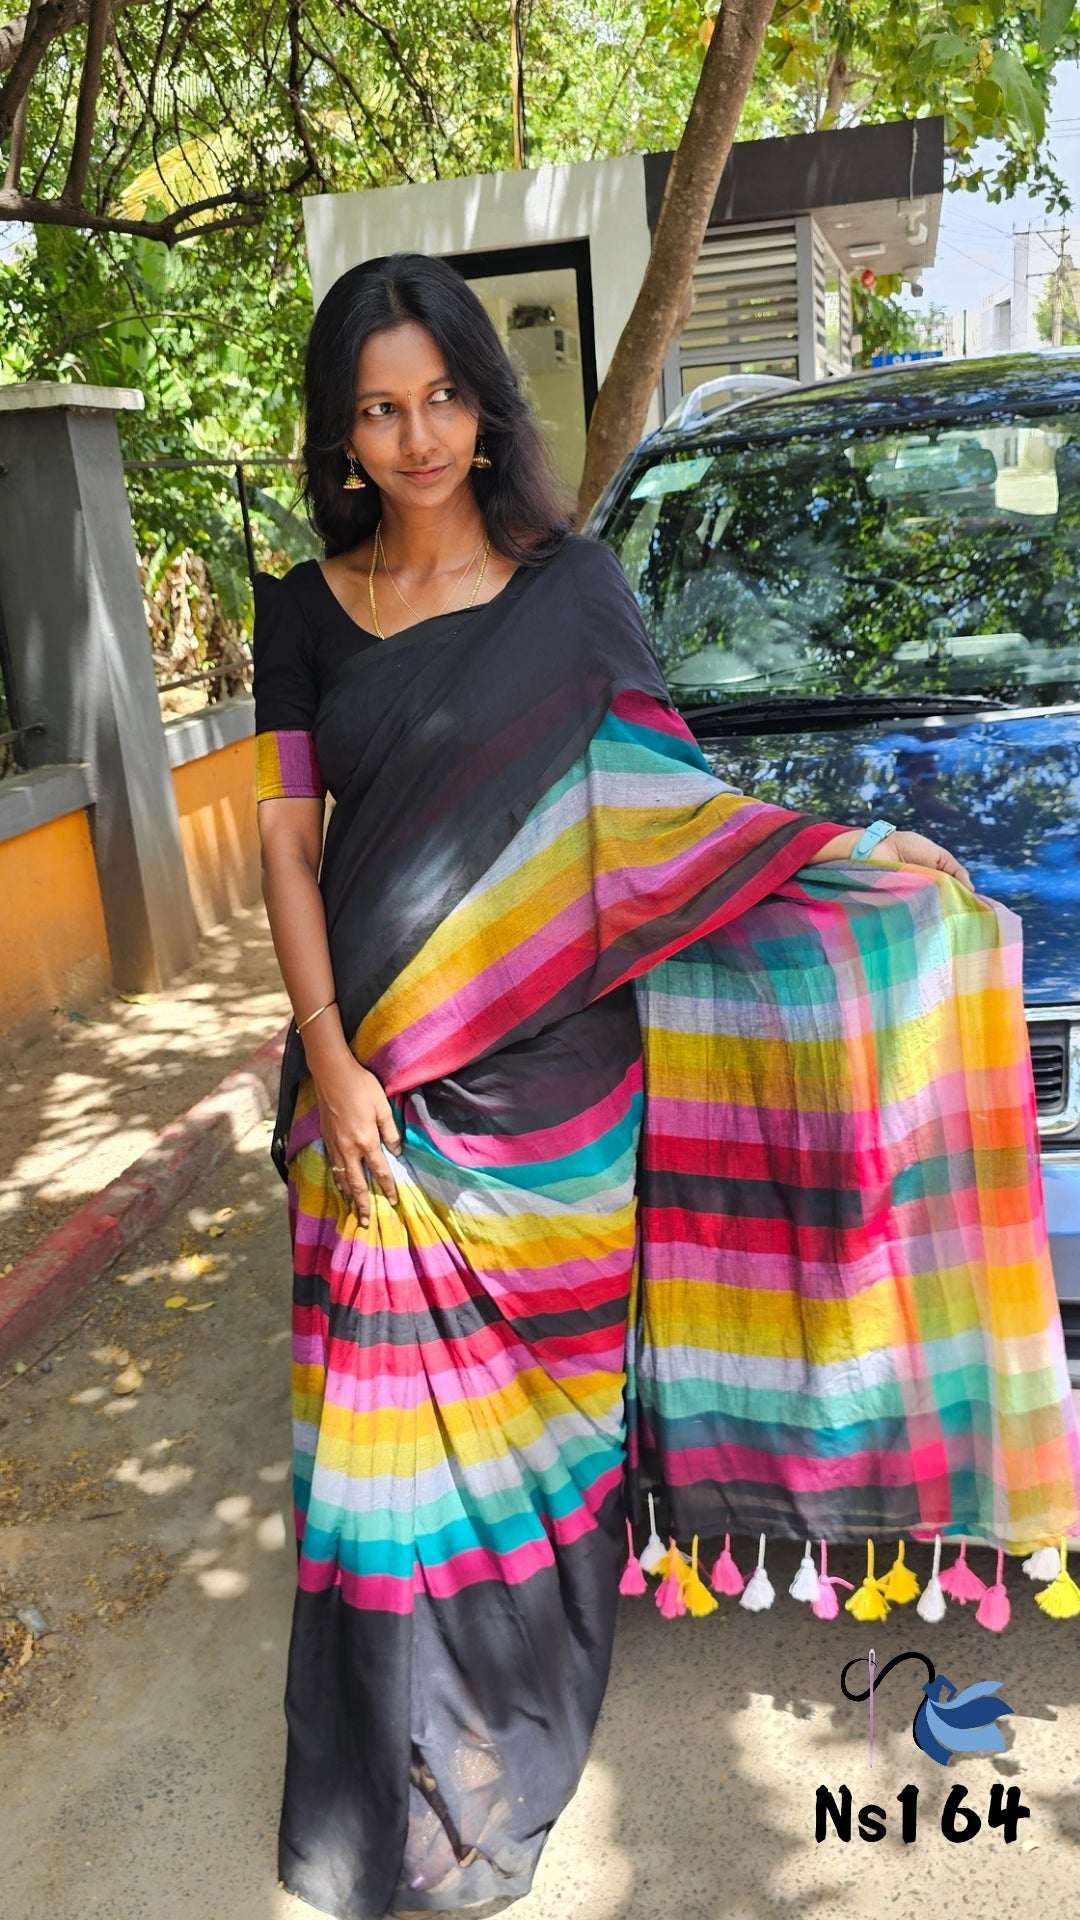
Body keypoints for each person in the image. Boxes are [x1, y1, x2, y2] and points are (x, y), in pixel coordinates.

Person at [254, 253, 1080, 1920]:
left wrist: (849, 853)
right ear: (342, 433)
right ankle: (379, 1782)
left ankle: (503, 1721)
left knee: (544, 1437)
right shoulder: (302, 611)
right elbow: (285, 840)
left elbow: (661, 809)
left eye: (442, 396)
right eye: (380, 410)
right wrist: (329, 1054)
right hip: (376, 1090)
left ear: (487, 403)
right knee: (375, 1463)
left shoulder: (572, 594)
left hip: (554, 1095)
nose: (419, 436)